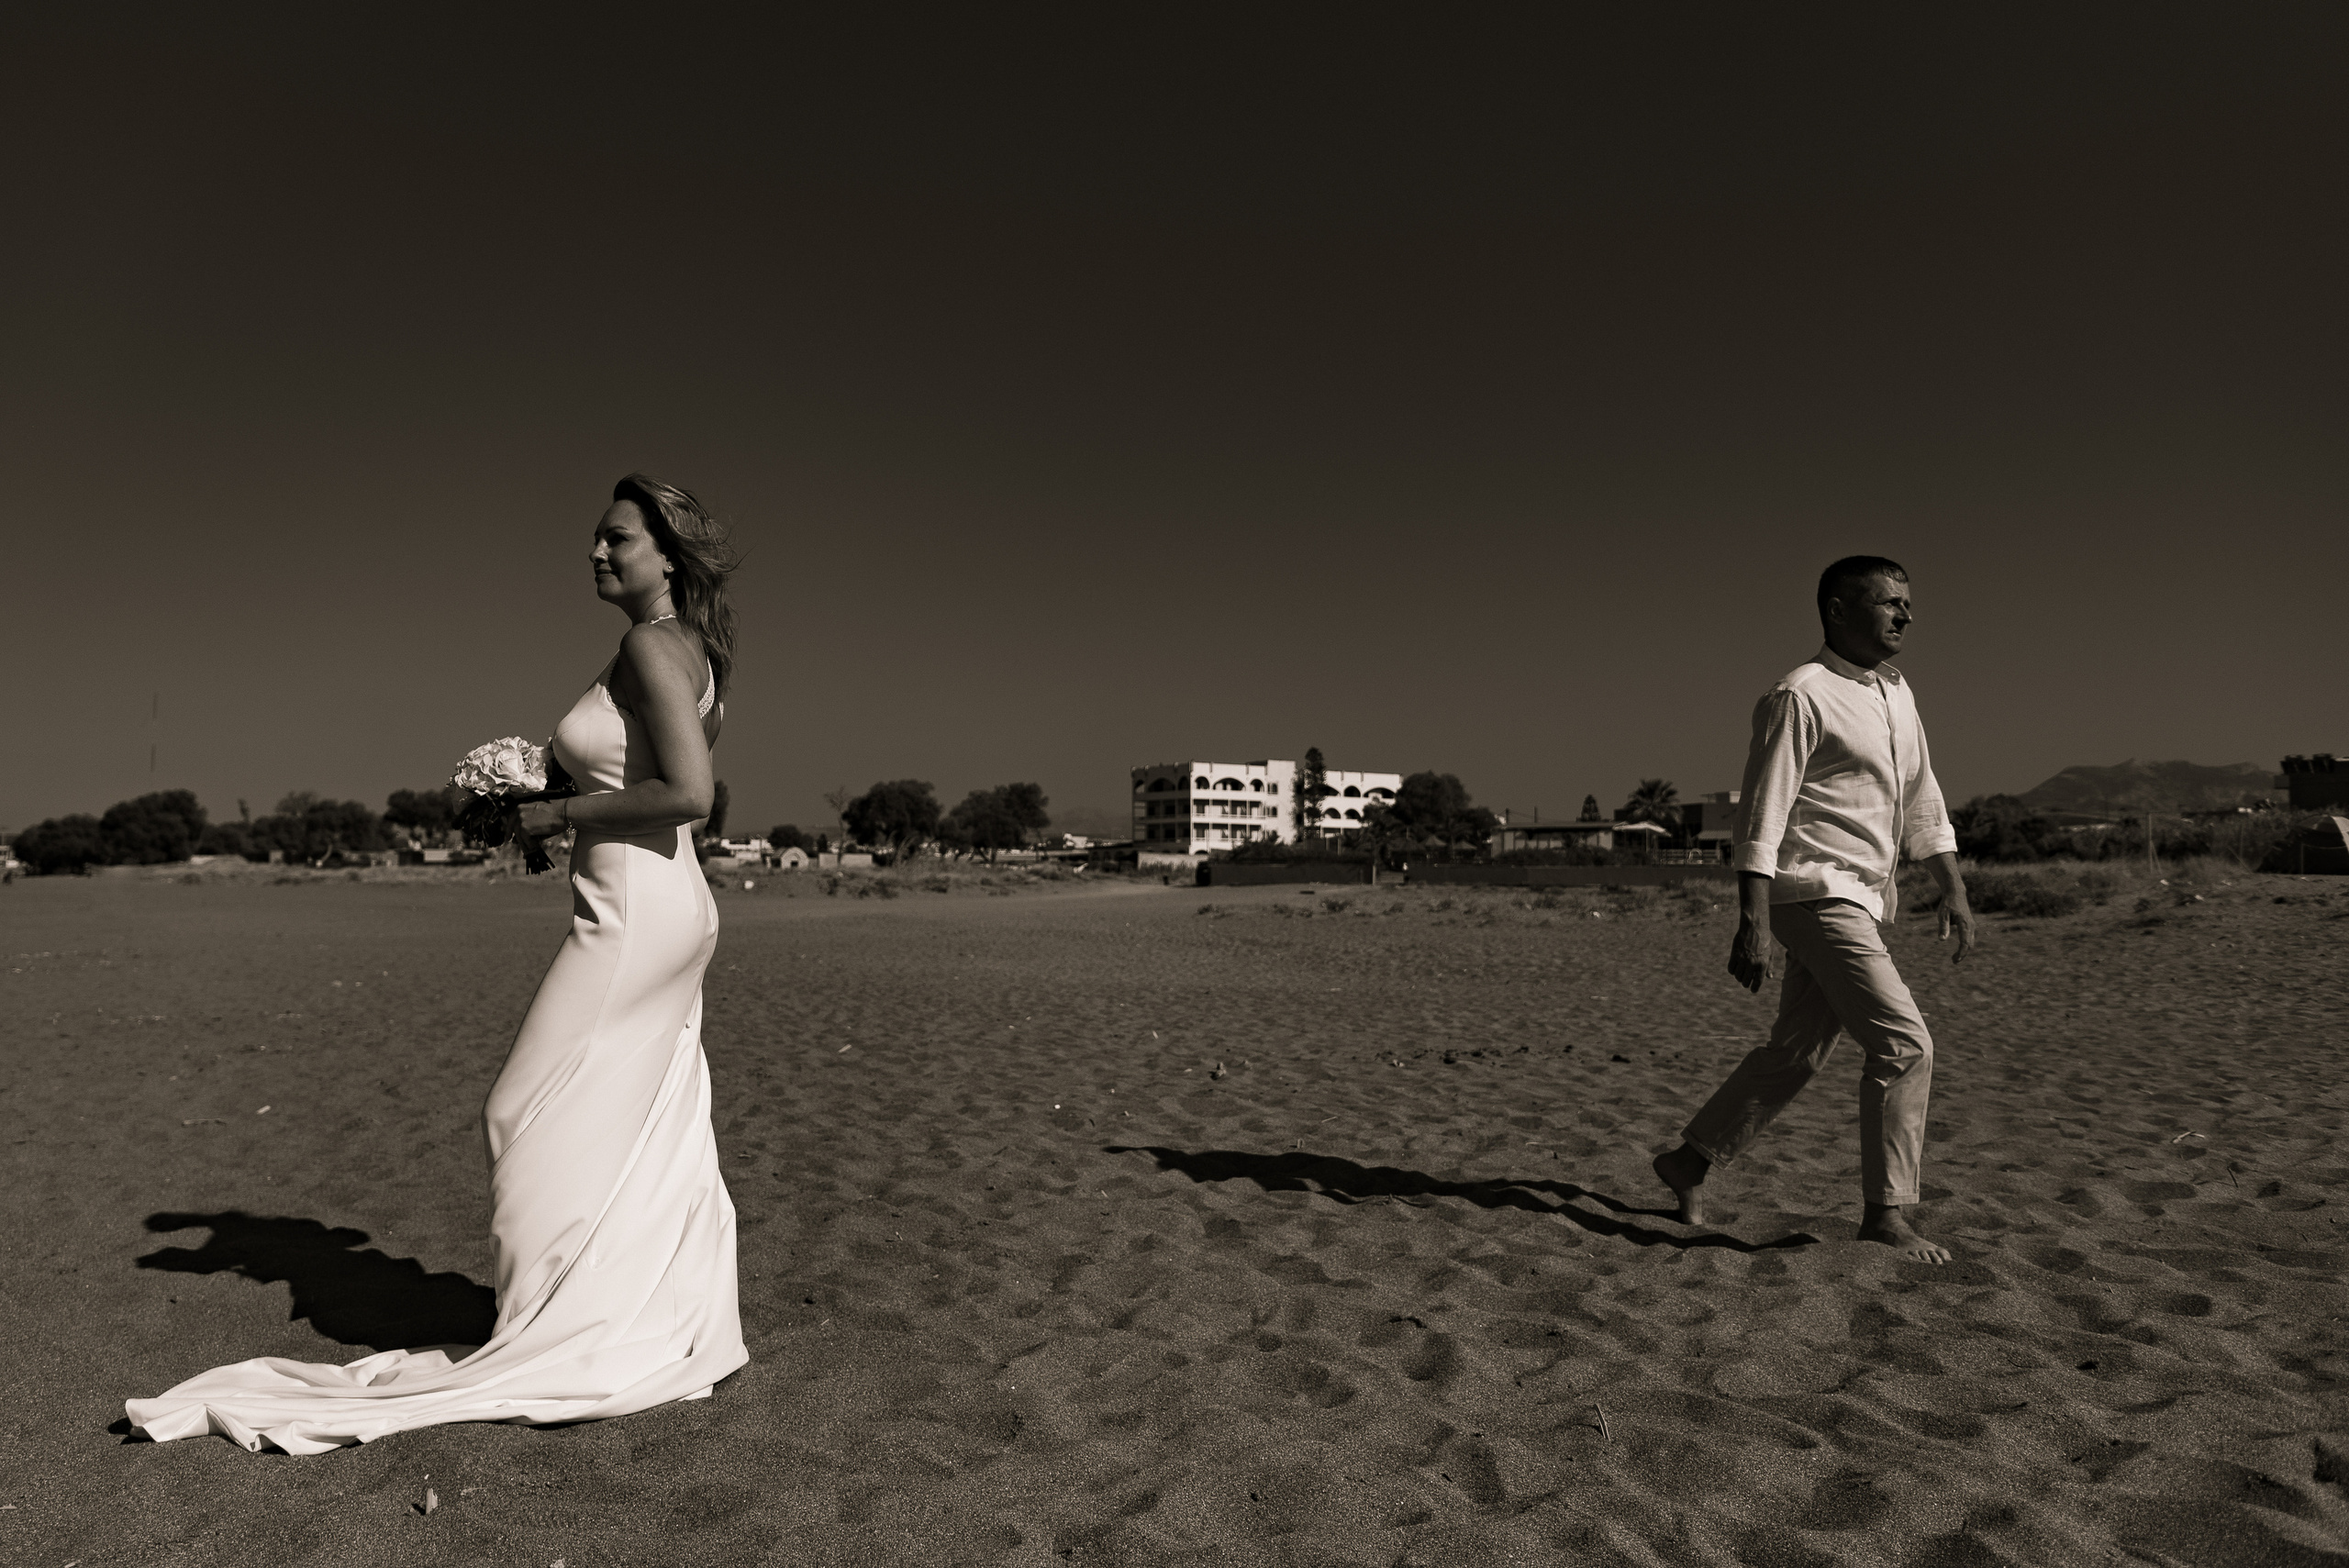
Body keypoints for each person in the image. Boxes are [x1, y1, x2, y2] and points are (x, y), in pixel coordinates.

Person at [128, 475, 750, 1451]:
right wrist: (544, 790)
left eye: (616, 538)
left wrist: (558, 810)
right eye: (593, 536)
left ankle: (564, 1329)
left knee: (522, 1107)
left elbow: (690, 791)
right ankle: (634, 1316)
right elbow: (665, 772)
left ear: (666, 552)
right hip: (658, 904)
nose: (596, 551)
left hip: (637, 915)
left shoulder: (648, 645)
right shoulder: (694, 652)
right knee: (639, 1114)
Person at [1652, 556, 1976, 1265]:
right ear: (1837, 609)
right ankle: (1887, 1214)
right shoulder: (1800, 694)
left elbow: (1923, 795)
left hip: (1863, 895)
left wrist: (1950, 883)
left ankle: (1691, 1161)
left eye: (1908, 603)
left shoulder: (1897, 693)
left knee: (1797, 1052)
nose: (1905, 615)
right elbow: (1761, 813)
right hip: (1814, 892)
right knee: (1905, 1044)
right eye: (1889, 602)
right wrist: (1752, 920)